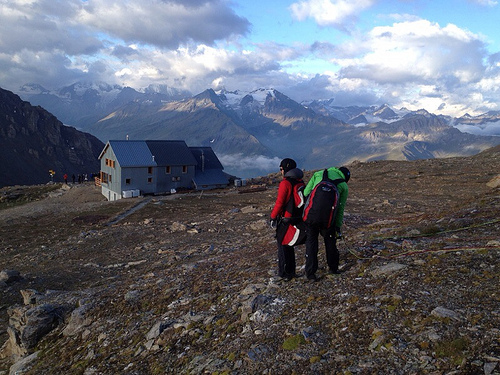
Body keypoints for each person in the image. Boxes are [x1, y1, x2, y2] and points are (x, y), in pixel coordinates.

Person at [303, 166, 350, 281]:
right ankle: (333, 268)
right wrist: (337, 226)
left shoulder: (319, 173)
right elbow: (340, 208)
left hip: (312, 216)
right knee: (330, 242)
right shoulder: (343, 185)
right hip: (328, 219)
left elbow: (305, 193)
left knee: (311, 243)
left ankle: (310, 273)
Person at [270, 158, 305, 281]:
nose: (281, 172)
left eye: (281, 169)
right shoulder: (300, 181)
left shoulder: (285, 183)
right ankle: (291, 271)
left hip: (286, 218)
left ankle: (284, 273)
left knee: (283, 244)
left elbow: (280, 202)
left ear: (286, 169)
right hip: (297, 218)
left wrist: (273, 217)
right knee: (289, 245)